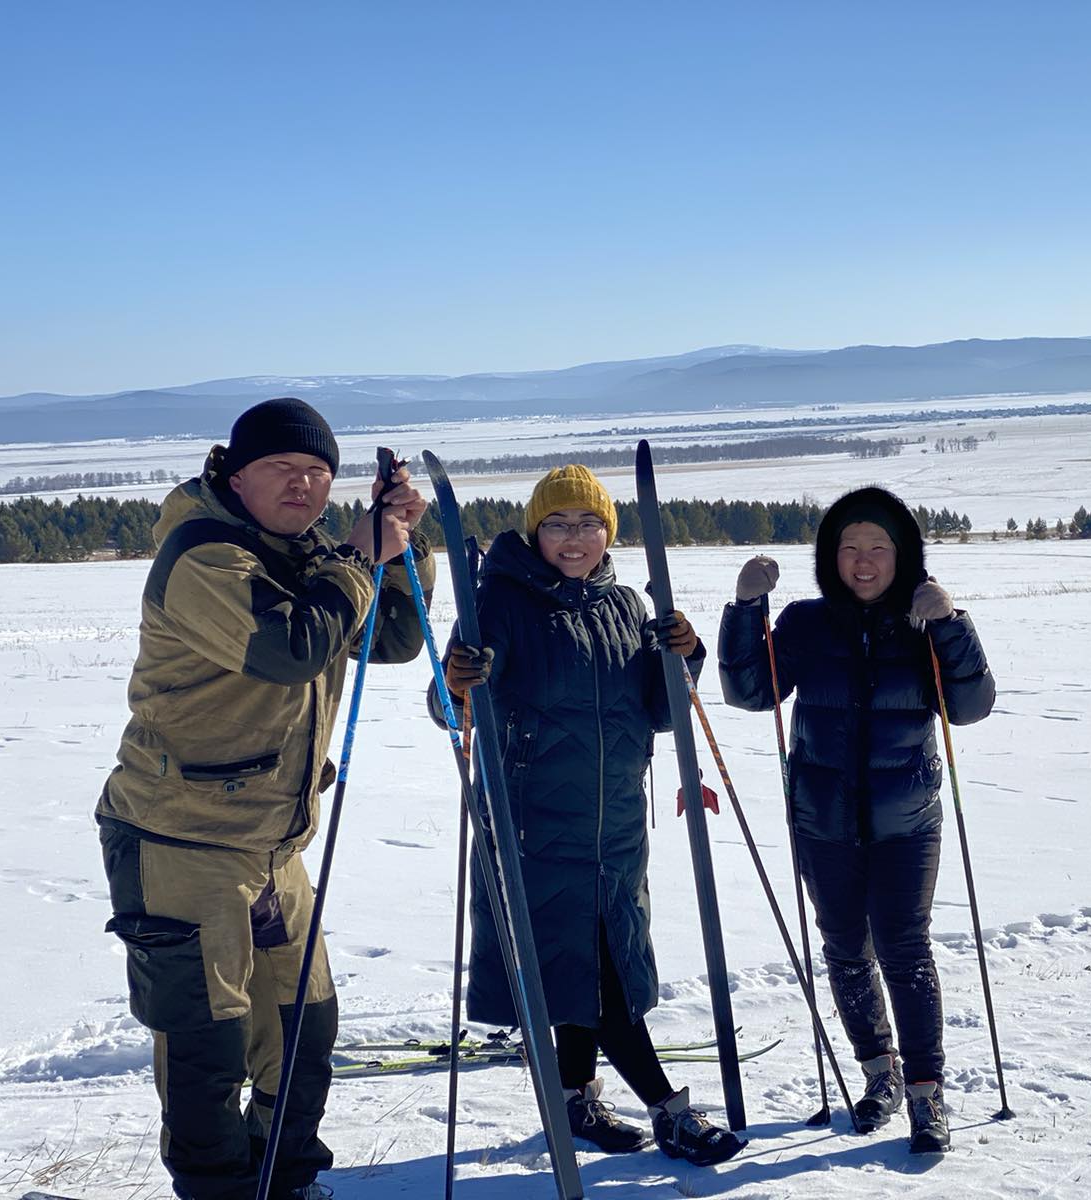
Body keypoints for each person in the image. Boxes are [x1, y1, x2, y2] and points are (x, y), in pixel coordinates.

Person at [96, 397, 433, 1200]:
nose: (305, 487)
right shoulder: (205, 557)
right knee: (206, 1045)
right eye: (284, 470)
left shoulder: (302, 551)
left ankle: (284, 1179)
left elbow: (390, 640)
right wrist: (358, 556)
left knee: (304, 1029)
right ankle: (216, 1191)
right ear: (234, 472)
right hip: (181, 839)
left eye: (319, 473)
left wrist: (399, 549)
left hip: (274, 847)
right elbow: (287, 647)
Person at [432, 463, 744, 1167]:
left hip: (617, 826)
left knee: (593, 965)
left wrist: (685, 661)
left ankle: (575, 1097)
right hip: (534, 828)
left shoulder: (627, 605)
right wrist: (455, 684)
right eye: (557, 524)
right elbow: (451, 709)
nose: (574, 538)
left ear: (609, 532)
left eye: (588, 523)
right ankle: (669, 1110)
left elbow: (663, 714)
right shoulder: (498, 604)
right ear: (533, 530)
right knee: (596, 974)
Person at [716, 486, 995, 1155]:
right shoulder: (808, 624)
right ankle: (881, 1074)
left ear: (903, 555)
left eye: (878, 547)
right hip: (825, 819)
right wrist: (745, 608)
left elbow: (972, 707)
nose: (864, 561)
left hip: (907, 820)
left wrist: (953, 624)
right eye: (850, 548)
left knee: (904, 950)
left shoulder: (926, 619)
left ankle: (928, 1094)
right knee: (844, 947)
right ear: (830, 557)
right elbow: (751, 692)